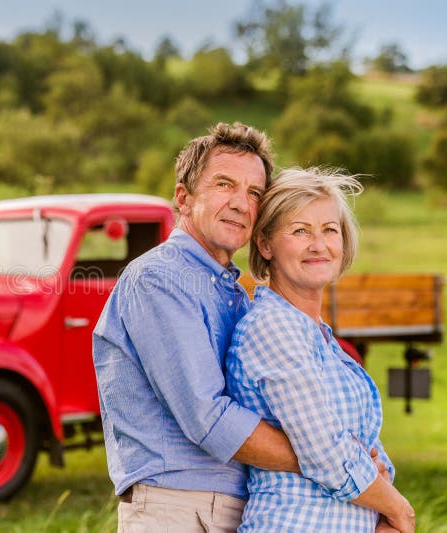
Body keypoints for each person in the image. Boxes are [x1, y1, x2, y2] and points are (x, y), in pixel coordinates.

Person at [93, 122, 302, 532]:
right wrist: (322, 458)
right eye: (225, 185)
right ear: (183, 198)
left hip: (234, 508)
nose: (242, 203)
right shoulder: (159, 279)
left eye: (255, 193)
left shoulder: (237, 295)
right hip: (176, 509)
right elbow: (209, 418)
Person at [225, 168, 415, 532]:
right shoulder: (274, 326)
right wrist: (399, 509)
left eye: (330, 229)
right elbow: (327, 452)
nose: (319, 244)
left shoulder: (318, 336)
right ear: (265, 244)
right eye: (300, 231)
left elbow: (365, 446)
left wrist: (380, 505)